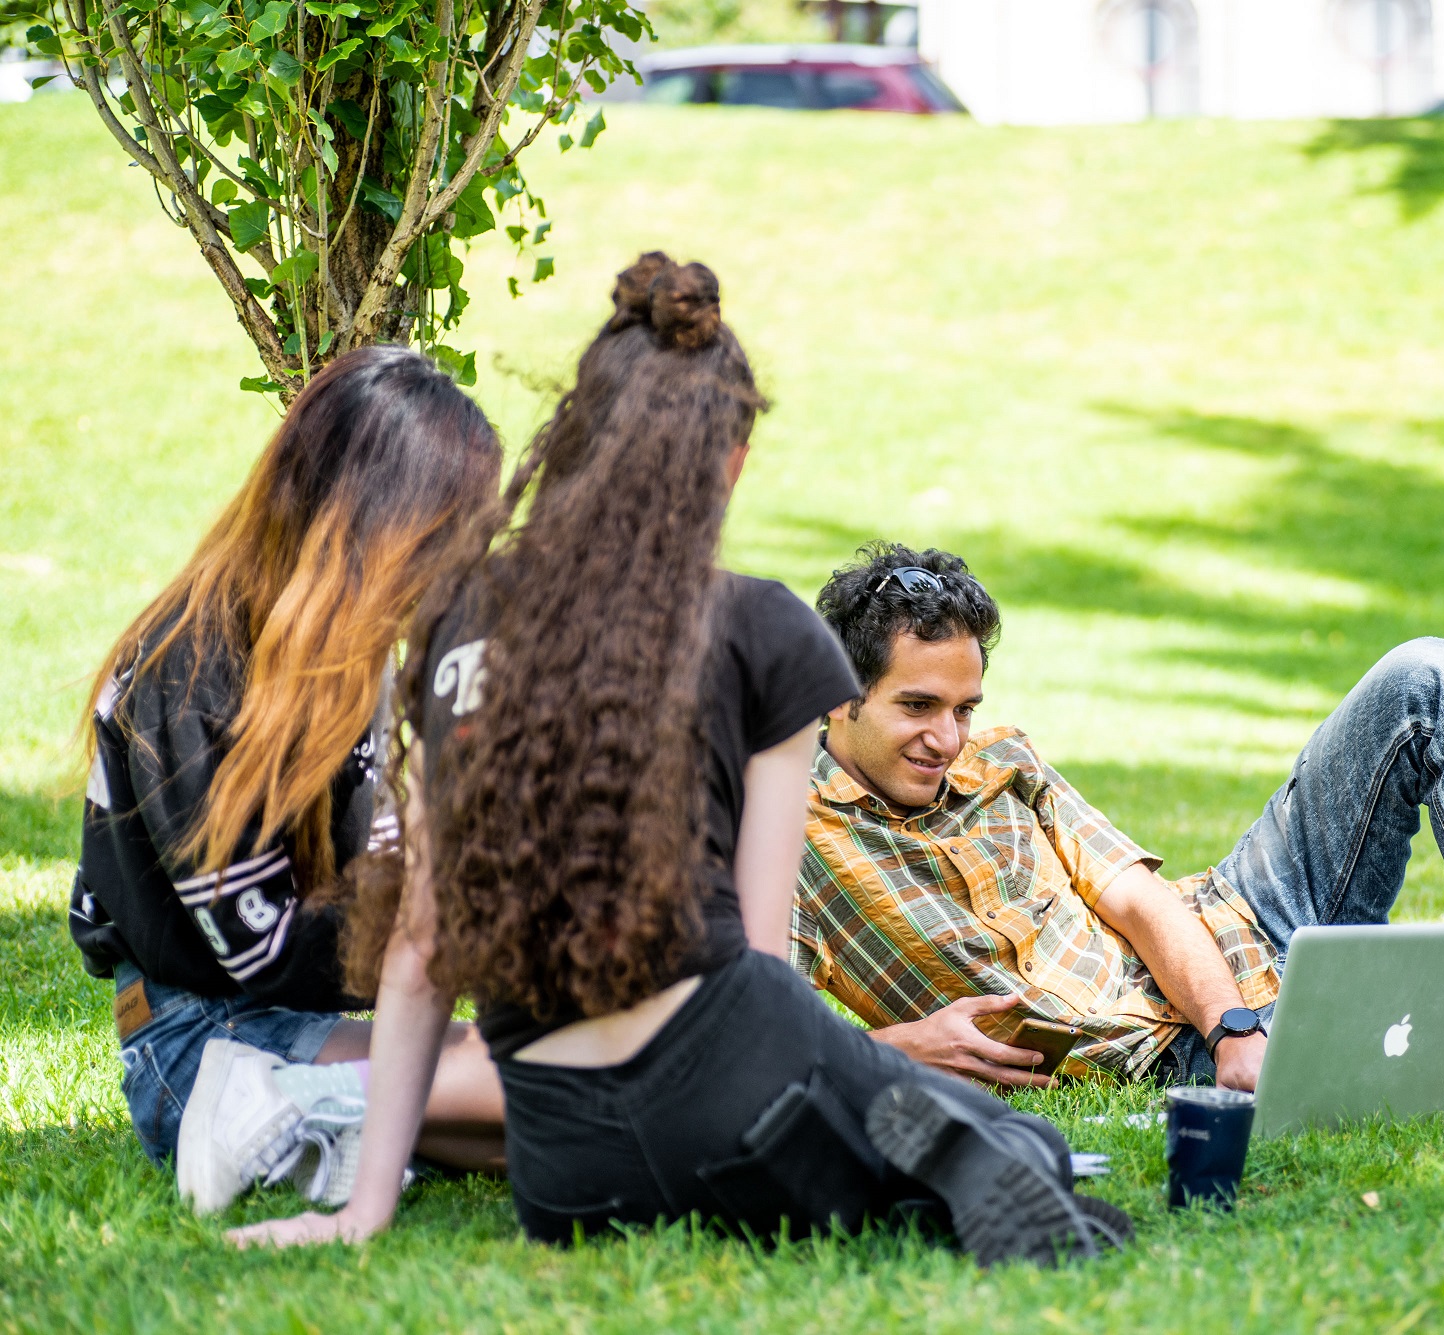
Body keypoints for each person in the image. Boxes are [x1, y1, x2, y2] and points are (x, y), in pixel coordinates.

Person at [228, 255, 1129, 1266]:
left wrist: (365, 1208)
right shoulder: (764, 627)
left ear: (574, 436)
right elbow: (758, 947)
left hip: (562, 1161)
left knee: (774, 1146)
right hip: (732, 1074)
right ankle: (947, 1157)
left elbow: (421, 944)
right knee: (984, 1142)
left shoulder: (456, 618)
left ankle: (895, 1159)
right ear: (732, 459)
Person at [791, 543, 1444, 1099]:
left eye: (961, 707)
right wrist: (895, 1051)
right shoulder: (788, 847)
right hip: (1149, 1044)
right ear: (837, 698)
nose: (948, 736)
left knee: (1430, 674)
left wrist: (1235, 1032)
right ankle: (1439, 999)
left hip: (1236, 919)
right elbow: (739, 1034)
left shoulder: (999, 753)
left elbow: (1135, 899)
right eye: (916, 709)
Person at [69, 345, 510, 1214]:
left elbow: (385, 864)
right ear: (364, 519)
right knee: (537, 1089)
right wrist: (440, 904)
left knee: (555, 1104)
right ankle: (280, 1113)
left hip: (290, 1024)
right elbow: (263, 948)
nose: (455, 571)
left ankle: (318, 1117)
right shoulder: (187, 666)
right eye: (443, 538)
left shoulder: (353, 659)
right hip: (198, 1037)